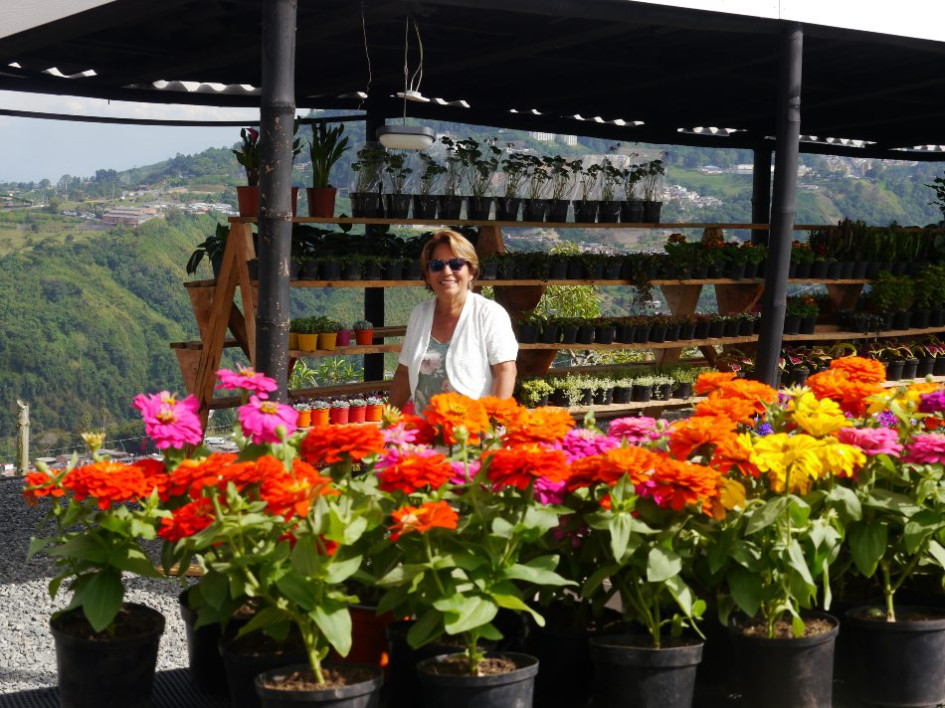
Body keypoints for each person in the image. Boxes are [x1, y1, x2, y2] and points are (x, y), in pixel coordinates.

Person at [390, 229, 518, 411]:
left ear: (471, 271)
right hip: (427, 432)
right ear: (428, 275)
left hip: (474, 432)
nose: (446, 271)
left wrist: (493, 424)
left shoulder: (489, 314)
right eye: (436, 265)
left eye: (456, 264)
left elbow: (505, 371)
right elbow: (403, 373)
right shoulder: (419, 314)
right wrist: (387, 424)